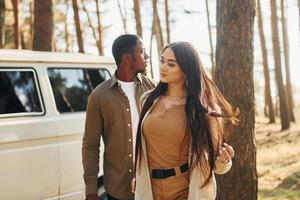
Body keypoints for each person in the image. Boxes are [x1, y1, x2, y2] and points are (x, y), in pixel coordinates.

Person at [132, 42, 239, 200]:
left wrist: (224, 160)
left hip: (185, 190)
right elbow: (142, 145)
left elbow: (216, 163)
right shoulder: (146, 100)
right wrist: (137, 175)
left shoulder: (204, 108)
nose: (163, 67)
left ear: (186, 70)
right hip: (149, 189)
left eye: (171, 64)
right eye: (162, 61)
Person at [82, 34, 155, 200]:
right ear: (127, 58)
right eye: (142, 52)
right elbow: (90, 144)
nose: (147, 56)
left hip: (152, 182)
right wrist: (91, 190)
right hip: (119, 188)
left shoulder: (153, 88)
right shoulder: (99, 96)